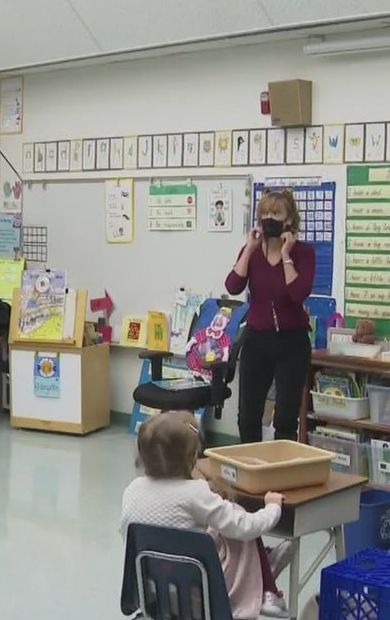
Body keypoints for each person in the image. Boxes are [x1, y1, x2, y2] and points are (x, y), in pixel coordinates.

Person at [120, 412, 292, 618]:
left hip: (153, 594)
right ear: (193, 458)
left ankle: (262, 565)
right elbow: (246, 527)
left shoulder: (132, 490)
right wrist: (272, 508)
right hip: (200, 597)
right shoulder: (196, 493)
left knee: (209, 528)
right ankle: (262, 577)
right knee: (234, 517)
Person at [224, 189, 316, 443]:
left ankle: (280, 475)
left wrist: (286, 255)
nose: (269, 218)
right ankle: (251, 472)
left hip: (292, 343)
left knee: (285, 419)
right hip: (257, 340)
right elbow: (233, 286)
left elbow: (298, 294)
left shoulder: (303, 253)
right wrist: (249, 249)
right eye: (264, 213)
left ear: (289, 220)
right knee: (248, 417)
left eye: (275, 213)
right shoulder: (251, 250)